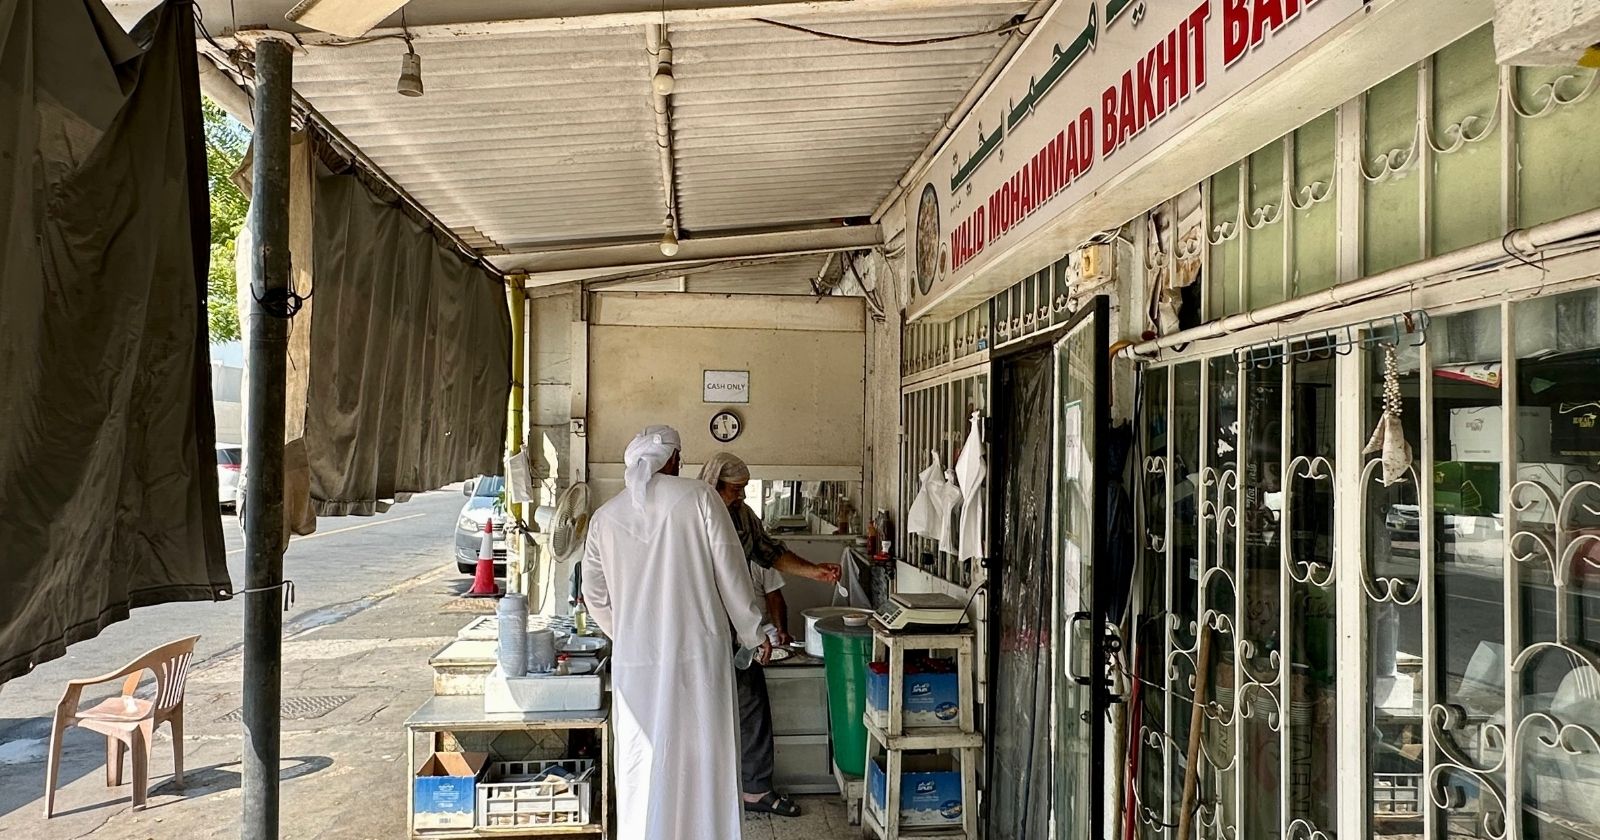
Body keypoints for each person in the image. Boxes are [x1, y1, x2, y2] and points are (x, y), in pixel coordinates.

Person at [581, 426, 772, 840]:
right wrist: (755, 633)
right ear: (671, 460)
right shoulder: (699, 499)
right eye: (679, 457)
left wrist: (631, 634)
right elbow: (732, 574)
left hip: (637, 665)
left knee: (645, 757)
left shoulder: (604, 518)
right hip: (699, 656)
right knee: (704, 756)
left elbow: (594, 595)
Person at [698, 452, 843, 818]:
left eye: (745, 489)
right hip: (697, 627)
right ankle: (702, 790)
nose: (742, 496)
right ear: (714, 484)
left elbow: (770, 553)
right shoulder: (692, 513)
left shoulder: (742, 517)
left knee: (750, 706)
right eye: (735, 489)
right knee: (699, 711)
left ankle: (754, 790)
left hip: (737, 629)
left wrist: (815, 573)